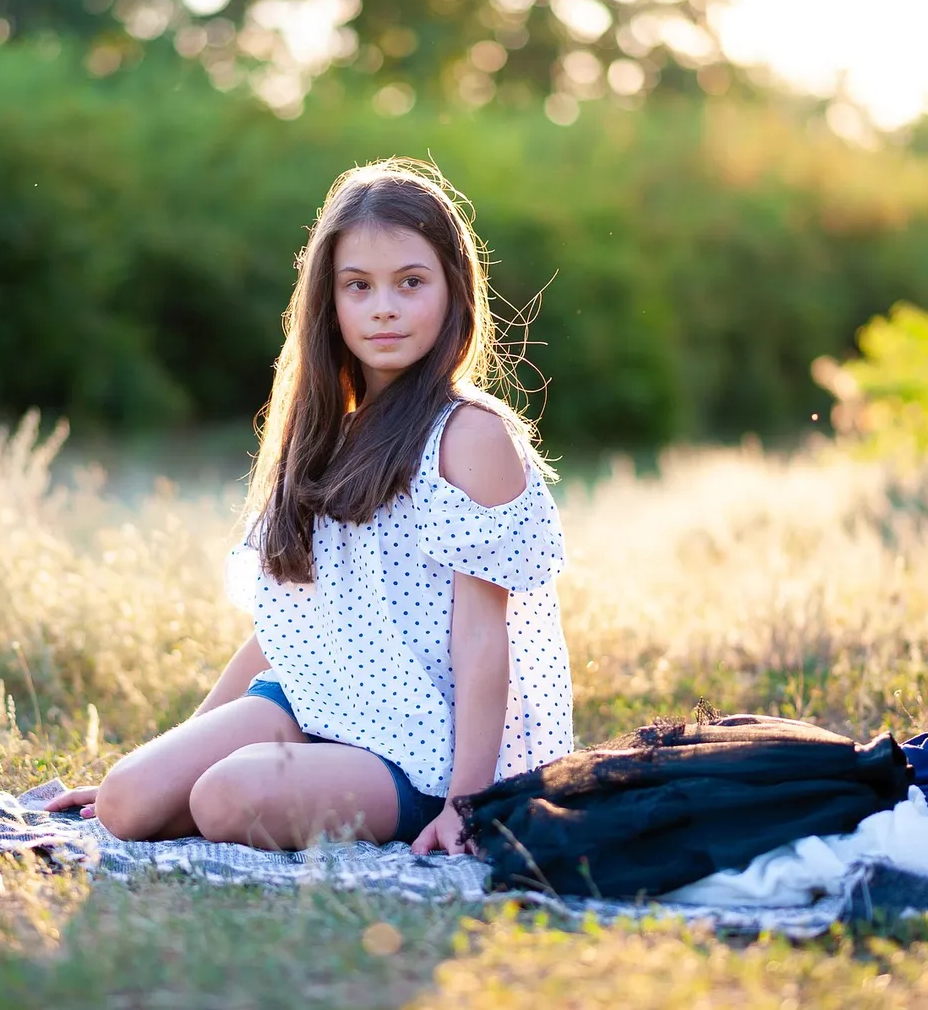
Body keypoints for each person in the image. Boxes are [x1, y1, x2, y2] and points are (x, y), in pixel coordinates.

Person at [47, 158, 573, 855]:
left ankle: (394, 803)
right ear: (330, 302)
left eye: (410, 283)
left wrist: (468, 803)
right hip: (312, 699)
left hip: (417, 742)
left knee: (226, 795)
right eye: (359, 286)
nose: (383, 306)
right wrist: (169, 755)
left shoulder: (468, 434)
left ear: (455, 291)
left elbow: (484, 639)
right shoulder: (325, 432)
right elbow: (290, 625)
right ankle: (210, 783)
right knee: (126, 799)